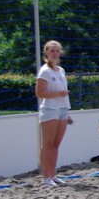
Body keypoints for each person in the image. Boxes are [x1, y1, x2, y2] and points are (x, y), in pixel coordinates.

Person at [35, 40, 71, 186]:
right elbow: (39, 93)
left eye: (57, 51)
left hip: (63, 109)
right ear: (46, 53)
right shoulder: (45, 71)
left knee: (56, 144)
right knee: (48, 144)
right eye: (52, 51)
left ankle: (53, 175)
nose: (55, 53)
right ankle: (46, 177)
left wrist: (66, 110)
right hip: (50, 109)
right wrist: (58, 94)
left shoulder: (61, 70)